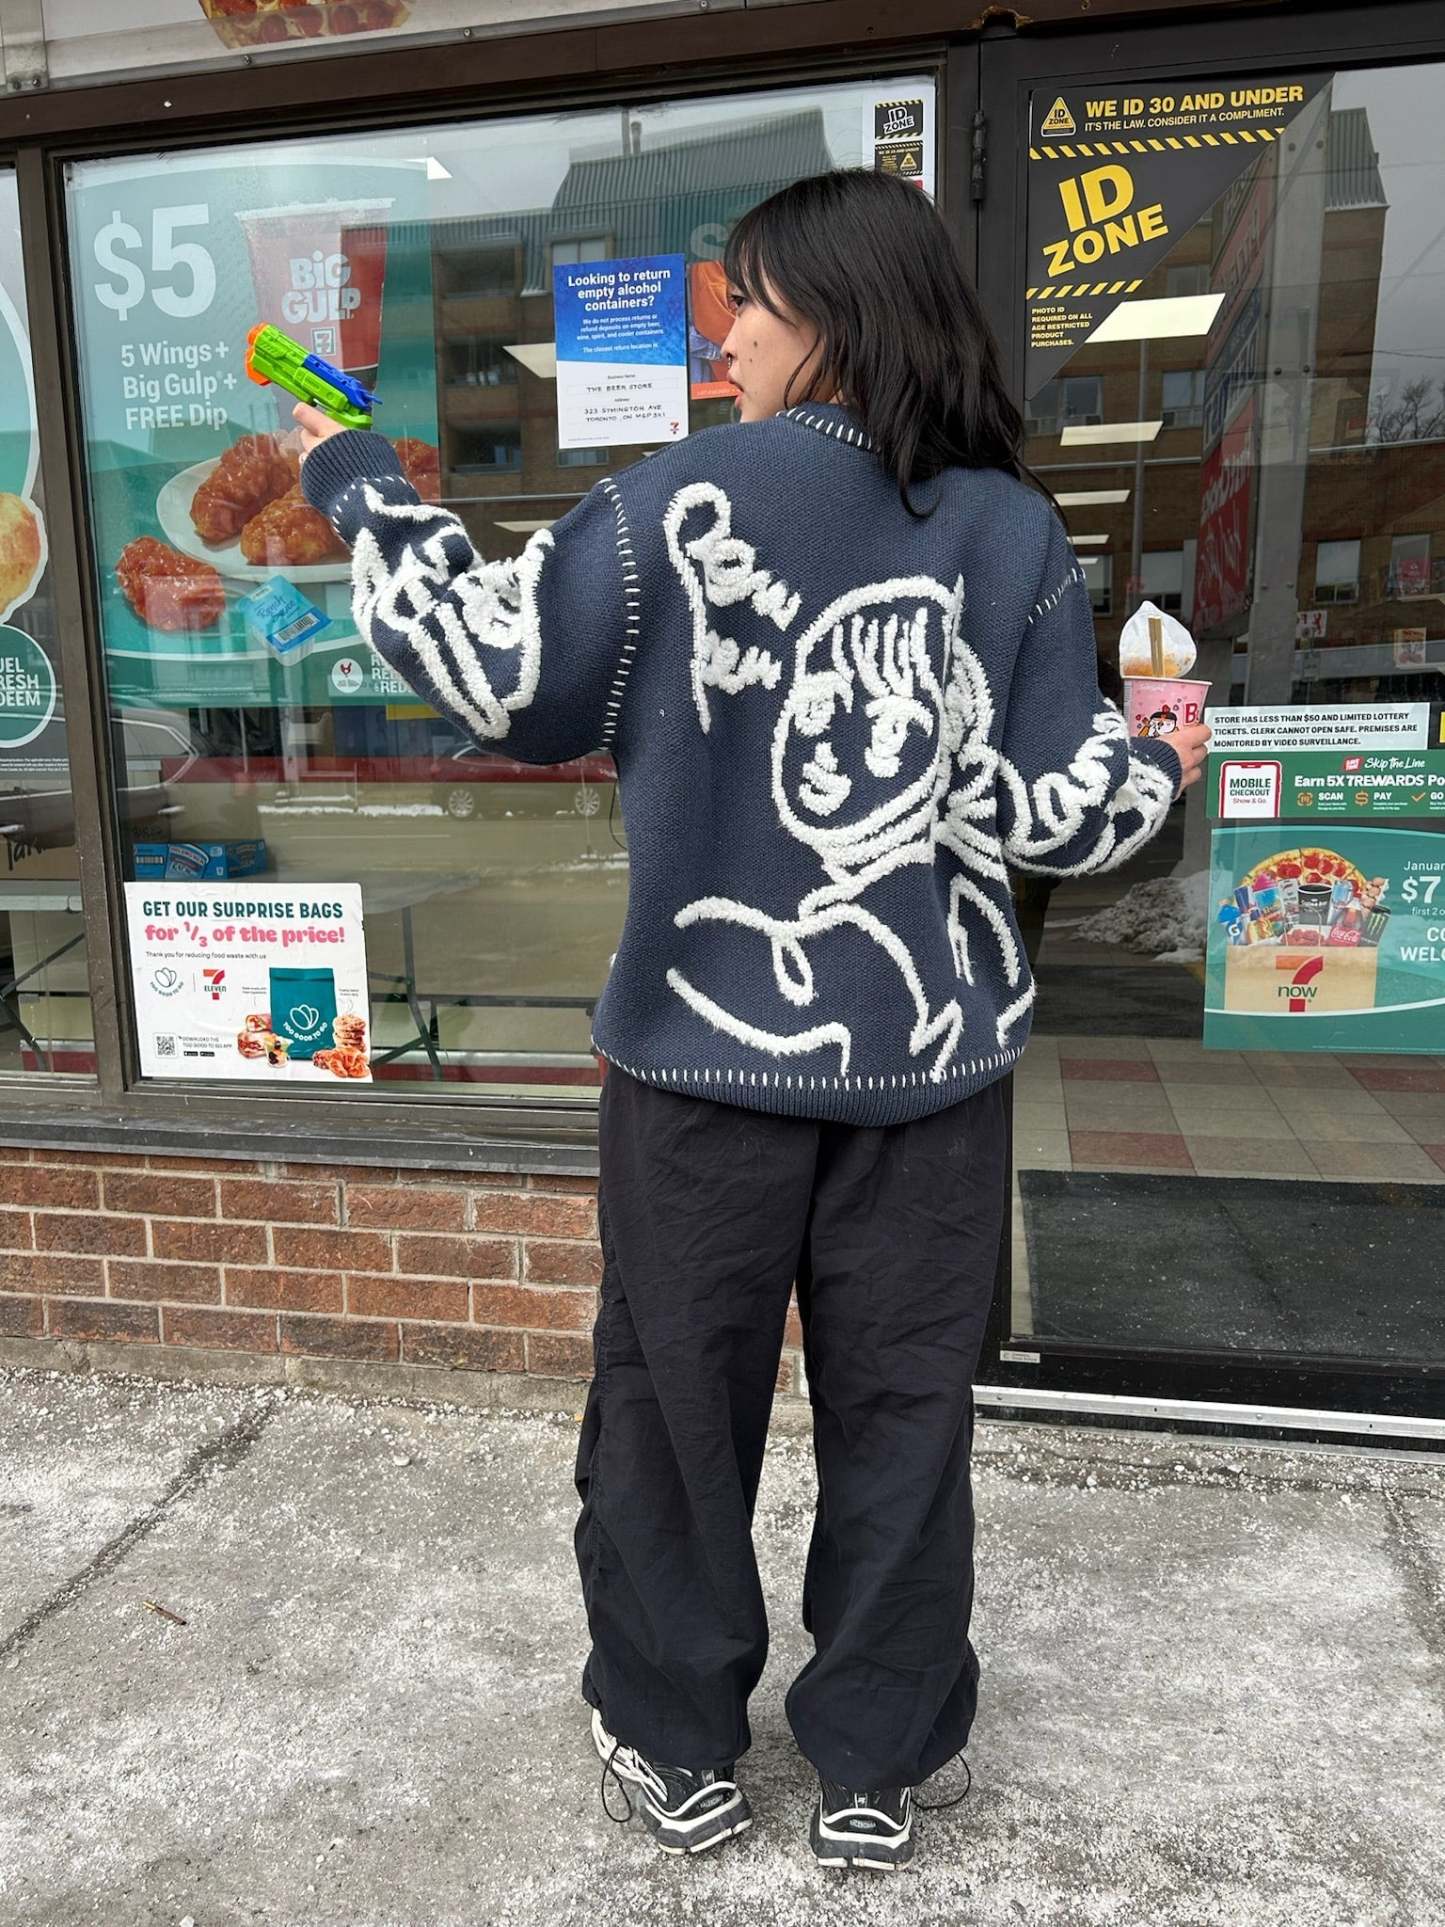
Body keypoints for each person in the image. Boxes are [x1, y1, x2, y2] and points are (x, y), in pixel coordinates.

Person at [294, 166, 1210, 1874]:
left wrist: (362, 487)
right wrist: (1159, 753)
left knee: (669, 1406)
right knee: (904, 1407)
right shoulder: (1009, 532)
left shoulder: (672, 503)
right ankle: (875, 1756)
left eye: (748, 309)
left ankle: (675, 1737)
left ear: (834, 319)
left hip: (703, 1069)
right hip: (929, 1073)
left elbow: (495, 676)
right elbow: (1055, 819)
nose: (722, 344)